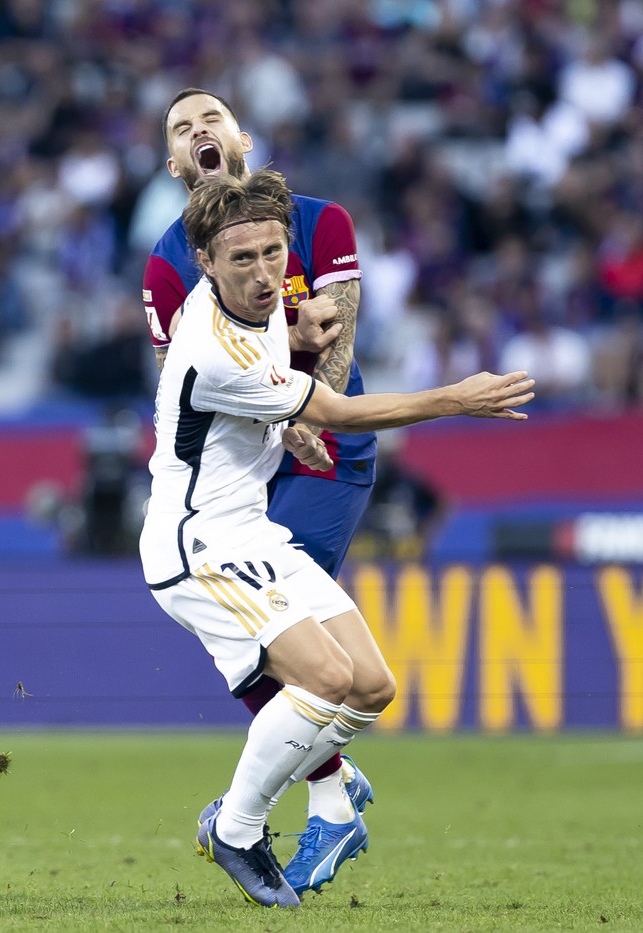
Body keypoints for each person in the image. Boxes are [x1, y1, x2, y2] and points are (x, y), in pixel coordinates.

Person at [142, 169, 532, 907]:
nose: (263, 273)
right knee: (323, 680)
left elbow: (276, 358)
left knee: (371, 686)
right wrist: (457, 397)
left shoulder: (252, 313)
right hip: (197, 545)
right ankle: (238, 825)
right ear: (206, 265)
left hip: (249, 531)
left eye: (272, 253)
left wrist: (292, 337)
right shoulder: (213, 347)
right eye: (242, 259)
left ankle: (311, 787)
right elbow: (339, 413)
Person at [142, 88, 377, 890]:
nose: (200, 131)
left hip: (322, 454)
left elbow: (333, 332)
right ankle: (330, 791)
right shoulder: (167, 261)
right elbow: (199, 375)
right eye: (182, 129)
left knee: (293, 658)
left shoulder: (321, 220)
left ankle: (325, 795)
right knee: (277, 655)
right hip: (243, 467)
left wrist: (316, 422)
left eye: (210, 117)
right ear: (174, 164)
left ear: (241, 135)